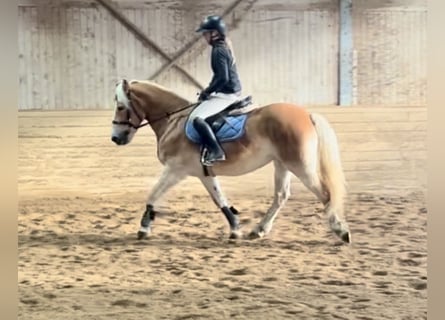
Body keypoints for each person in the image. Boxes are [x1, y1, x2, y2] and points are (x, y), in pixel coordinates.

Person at [191, 15, 243, 166]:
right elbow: (218, 77)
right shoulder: (223, 47)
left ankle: (216, 151)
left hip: (227, 93)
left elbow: (223, 78)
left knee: (198, 119)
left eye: (205, 33)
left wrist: (207, 92)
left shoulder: (218, 50)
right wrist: (208, 90)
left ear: (214, 33)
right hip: (229, 90)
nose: (204, 36)